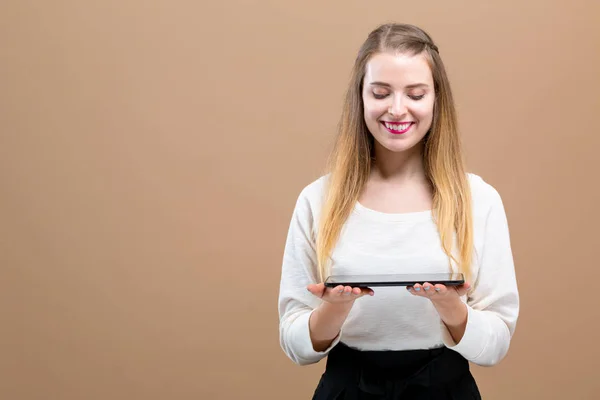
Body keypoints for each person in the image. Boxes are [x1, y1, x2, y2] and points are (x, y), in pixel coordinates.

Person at [277, 23, 519, 399]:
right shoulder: (318, 200)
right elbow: (294, 343)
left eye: (416, 94)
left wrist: (450, 308)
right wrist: (335, 311)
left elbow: (497, 343)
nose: (397, 109)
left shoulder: (478, 199)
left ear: (437, 100)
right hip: (347, 389)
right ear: (360, 97)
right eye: (380, 92)